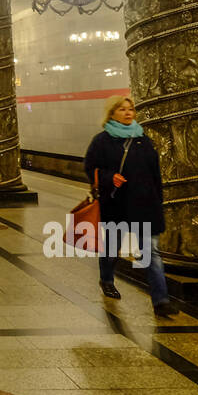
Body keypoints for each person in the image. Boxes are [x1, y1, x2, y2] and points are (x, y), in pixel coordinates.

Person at [83, 96, 177, 318]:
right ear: (112, 114)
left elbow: (155, 174)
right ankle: (106, 279)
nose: (128, 113)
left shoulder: (143, 140)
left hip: (145, 205)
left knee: (150, 253)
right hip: (117, 205)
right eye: (122, 109)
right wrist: (108, 178)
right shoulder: (102, 141)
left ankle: (161, 301)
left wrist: (158, 201)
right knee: (112, 248)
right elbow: (90, 167)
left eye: (130, 109)